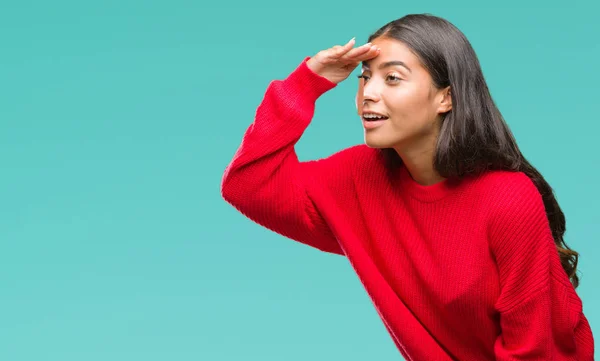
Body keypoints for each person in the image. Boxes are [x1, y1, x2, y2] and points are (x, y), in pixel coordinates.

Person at [220, 13, 594, 360]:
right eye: (365, 76)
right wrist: (307, 82)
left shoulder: (507, 198)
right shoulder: (358, 176)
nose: (368, 92)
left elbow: (534, 351)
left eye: (392, 78)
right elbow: (247, 184)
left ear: (445, 97)